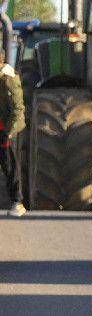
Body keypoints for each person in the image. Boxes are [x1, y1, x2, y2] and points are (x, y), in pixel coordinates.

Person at [0, 49, 25, 217]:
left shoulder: (9, 79)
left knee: (9, 166)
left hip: (5, 130)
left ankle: (17, 202)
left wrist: (9, 132)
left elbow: (17, 109)